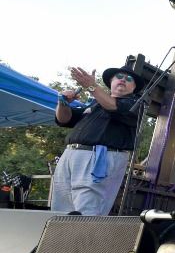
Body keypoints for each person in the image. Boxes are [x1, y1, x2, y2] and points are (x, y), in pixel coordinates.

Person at [52, 66, 144, 216]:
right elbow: (64, 119)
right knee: (60, 208)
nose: (123, 80)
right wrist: (62, 101)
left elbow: (113, 106)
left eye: (128, 79)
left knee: (87, 210)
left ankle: (83, 239)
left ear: (134, 88)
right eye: (119, 76)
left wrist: (91, 86)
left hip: (99, 157)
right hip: (70, 155)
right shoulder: (94, 104)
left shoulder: (135, 104)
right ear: (111, 82)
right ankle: (61, 238)